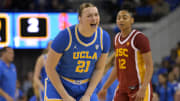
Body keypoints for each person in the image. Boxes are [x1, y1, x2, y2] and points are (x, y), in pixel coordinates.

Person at [45, 2, 111, 101]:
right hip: (60, 84)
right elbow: (49, 68)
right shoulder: (65, 36)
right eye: (89, 16)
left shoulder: (103, 38)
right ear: (80, 18)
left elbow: (99, 69)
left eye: (96, 15)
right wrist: (65, 96)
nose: (94, 18)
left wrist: (88, 95)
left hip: (85, 86)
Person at [98, 9, 154, 101]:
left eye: (125, 17)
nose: (121, 20)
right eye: (118, 18)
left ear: (132, 20)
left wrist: (143, 88)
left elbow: (149, 66)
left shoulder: (139, 38)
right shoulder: (116, 38)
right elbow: (117, 68)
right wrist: (105, 87)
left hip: (138, 86)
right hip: (123, 87)